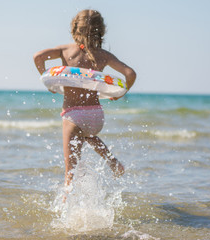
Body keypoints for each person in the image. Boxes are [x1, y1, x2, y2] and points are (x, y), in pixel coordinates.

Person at [33, 9, 136, 189]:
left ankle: (64, 210)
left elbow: (38, 57)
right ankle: (113, 162)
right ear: (101, 31)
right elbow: (130, 73)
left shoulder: (65, 50)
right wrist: (120, 94)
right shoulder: (103, 55)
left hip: (73, 115)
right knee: (88, 134)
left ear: (74, 28)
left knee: (69, 175)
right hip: (96, 116)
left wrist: (48, 81)